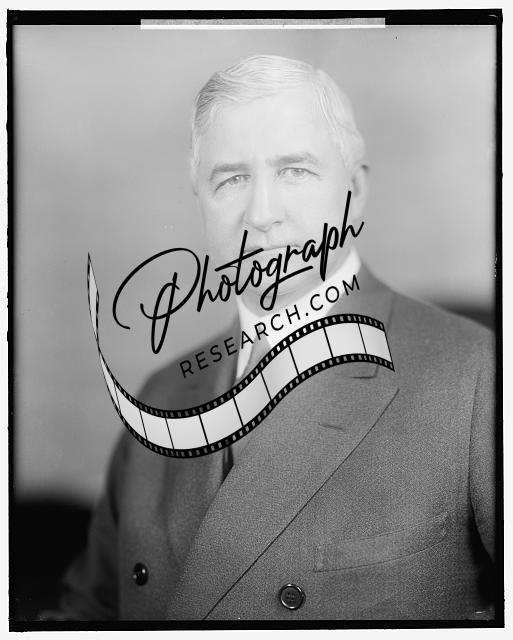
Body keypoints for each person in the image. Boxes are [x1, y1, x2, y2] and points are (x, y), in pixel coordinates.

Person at [47, 55, 496, 621]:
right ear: (200, 198)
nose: (261, 214)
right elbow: (85, 615)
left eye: (294, 171)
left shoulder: (477, 378)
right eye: (231, 179)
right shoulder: (160, 398)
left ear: (354, 190)